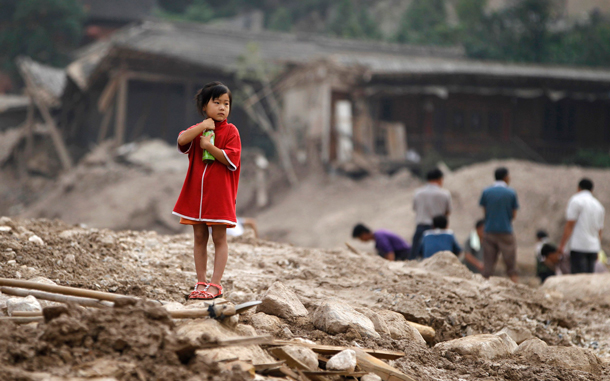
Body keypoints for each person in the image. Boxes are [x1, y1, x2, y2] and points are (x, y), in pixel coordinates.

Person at [173, 82, 241, 300]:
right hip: (196, 195)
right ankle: (200, 282)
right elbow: (181, 140)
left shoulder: (231, 131)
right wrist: (203, 127)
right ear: (204, 106)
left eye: (226, 103)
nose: (222, 107)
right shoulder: (198, 130)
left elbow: (232, 159)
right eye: (217, 102)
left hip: (219, 196)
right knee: (199, 237)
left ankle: (216, 285)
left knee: (219, 238)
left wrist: (210, 147)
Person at [479, 167, 519, 282]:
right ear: (506, 177)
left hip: (489, 230)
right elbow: (513, 214)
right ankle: (515, 284)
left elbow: (485, 211)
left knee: (488, 265)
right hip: (506, 231)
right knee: (511, 264)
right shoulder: (511, 192)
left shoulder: (486, 191)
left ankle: (484, 287)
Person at [558, 178, 605, 274]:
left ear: (578, 188)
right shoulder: (599, 205)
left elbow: (570, 224)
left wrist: (562, 245)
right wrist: (598, 248)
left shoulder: (576, 200)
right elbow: (600, 230)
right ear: (592, 190)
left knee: (578, 277)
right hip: (593, 247)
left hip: (579, 246)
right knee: (588, 280)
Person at [410, 168, 452, 260]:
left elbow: (415, 208)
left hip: (420, 227)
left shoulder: (418, 193)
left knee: (415, 257)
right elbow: (447, 212)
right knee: (438, 259)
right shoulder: (445, 194)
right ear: (440, 179)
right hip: (438, 229)